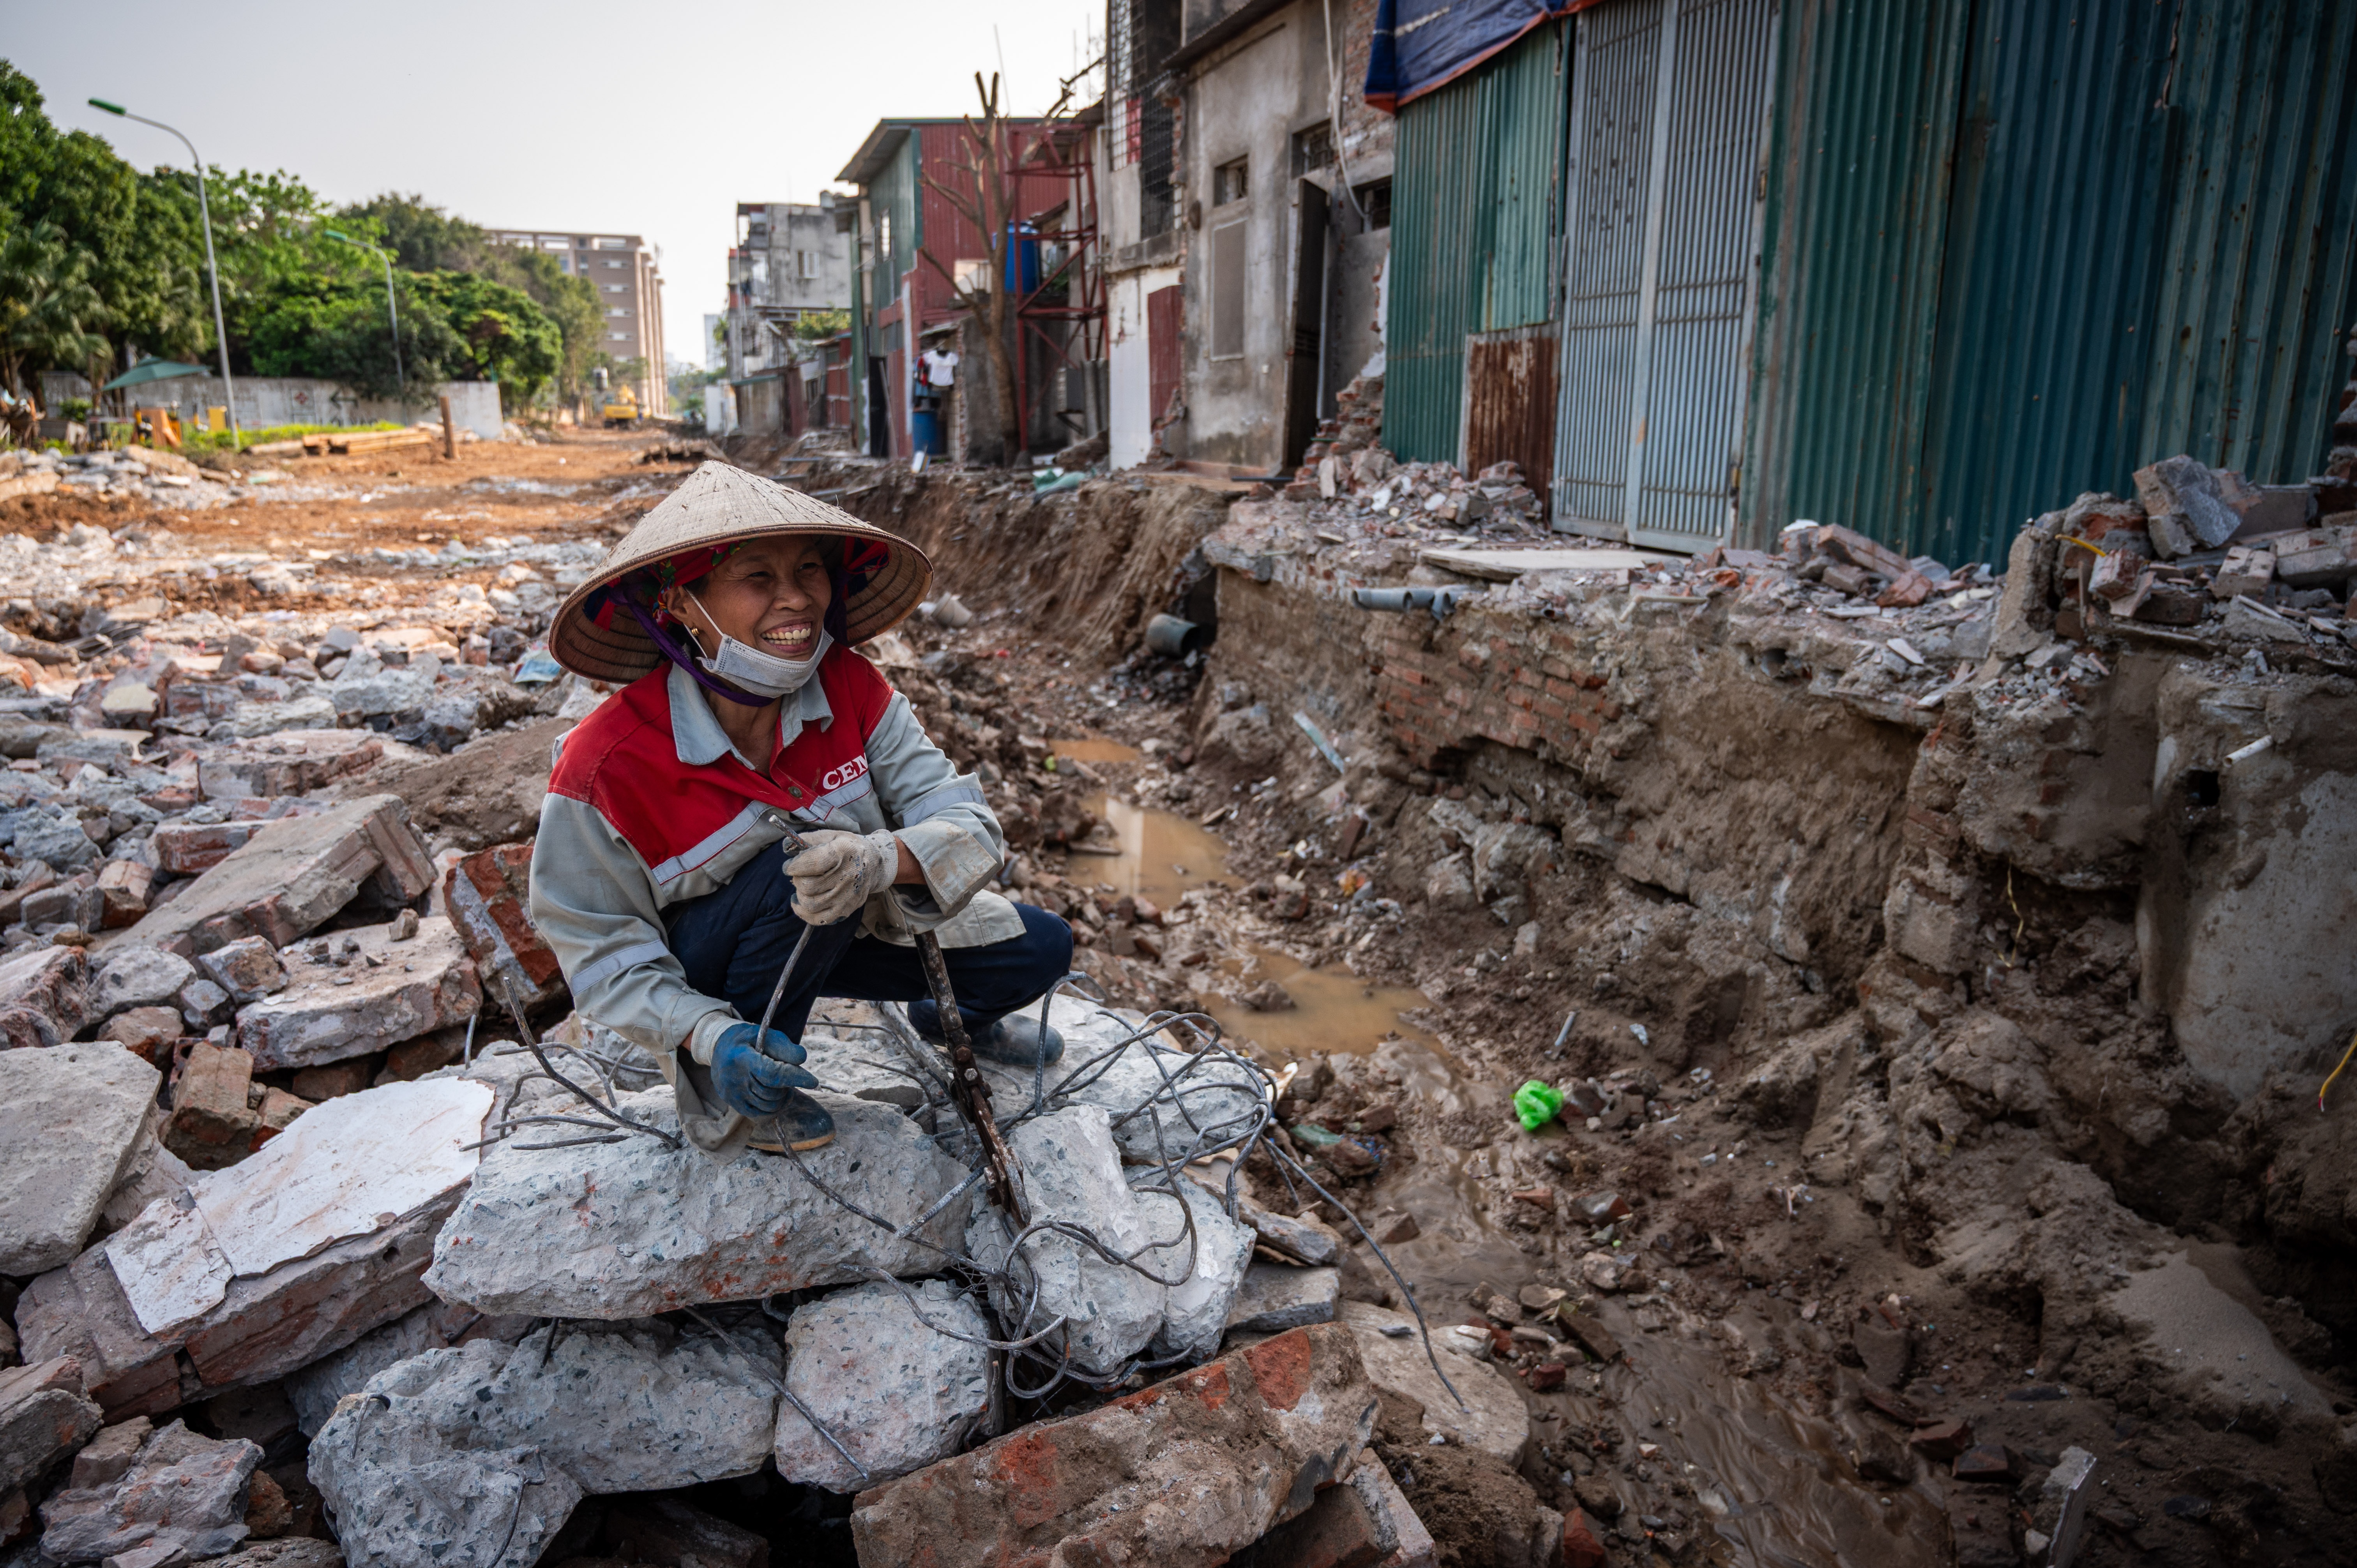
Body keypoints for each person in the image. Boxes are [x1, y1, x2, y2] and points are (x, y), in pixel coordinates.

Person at [530, 461, 1071, 1154]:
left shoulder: (851, 685)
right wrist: (706, 1033)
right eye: (758, 578)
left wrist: (878, 860)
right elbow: (601, 952)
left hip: (850, 923)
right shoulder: (605, 765)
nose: (797, 601)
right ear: (680, 604)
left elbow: (971, 828)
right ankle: (751, 1077)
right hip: (714, 971)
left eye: (810, 572)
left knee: (1042, 948)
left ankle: (947, 1015)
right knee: (792, 870)